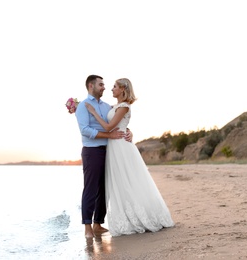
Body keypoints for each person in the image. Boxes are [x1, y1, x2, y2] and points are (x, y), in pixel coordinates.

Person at [85, 78, 174, 236]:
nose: (111, 89)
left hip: (121, 146)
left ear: (123, 89)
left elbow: (108, 126)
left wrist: (92, 112)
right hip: (114, 146)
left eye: (114, 87)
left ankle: (141, 216)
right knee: (119, 182)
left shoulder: (124, 107)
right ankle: (125, 216)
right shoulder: (114, 106)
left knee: (128, 180)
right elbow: (116, 121)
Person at [75, 75, 132, 238]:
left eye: (105, 84)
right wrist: (108, 136)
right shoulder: (83, 106)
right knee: (91, 188)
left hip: (110, 151)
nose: (104, 87)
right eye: (101, 85)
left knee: (104, 188)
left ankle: (98, 223)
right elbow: (85, 131)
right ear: (91, 86)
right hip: (92, 151)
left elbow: (119, 122)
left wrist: (129, 132)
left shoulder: (108, 106)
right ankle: (87, 227)